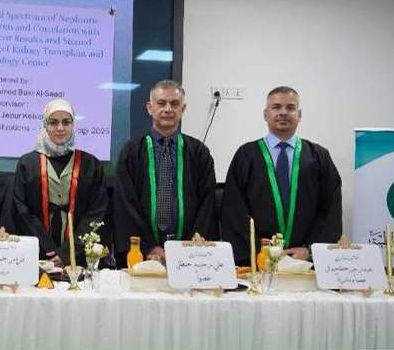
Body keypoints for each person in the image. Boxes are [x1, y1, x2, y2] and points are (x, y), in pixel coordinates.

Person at [221, 86, 342, 265]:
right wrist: (258, 252)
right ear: (265, 114)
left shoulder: (318, 157)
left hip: (304, 262)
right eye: (276, 107)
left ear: (299, 115)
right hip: (258, 261)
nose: (283, 112)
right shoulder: (246, 155)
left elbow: (330, 210)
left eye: (290, 107)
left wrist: (310, 250)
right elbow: (234, 210)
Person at [114, 80, 217, 263]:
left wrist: (189, 247)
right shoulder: (132, 151)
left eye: (174, 104)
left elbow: (207, 205)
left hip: (189, 252)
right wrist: (149, 247)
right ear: (150, 108)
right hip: (143, 253)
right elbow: (125, 204)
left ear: (183, 109)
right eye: (161, 103)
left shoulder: (199, 153)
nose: (168, 109)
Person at [12, 99, 108, 267]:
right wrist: (46, 246)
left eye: (66, 122)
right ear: (44, 125)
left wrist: (67, 252)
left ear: (73, 125)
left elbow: (96, 212)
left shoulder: (91, 165)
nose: (60, 128)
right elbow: (21, 210)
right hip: (38, 255)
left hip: (78, 256)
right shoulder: (27, 163)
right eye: (53, 122)